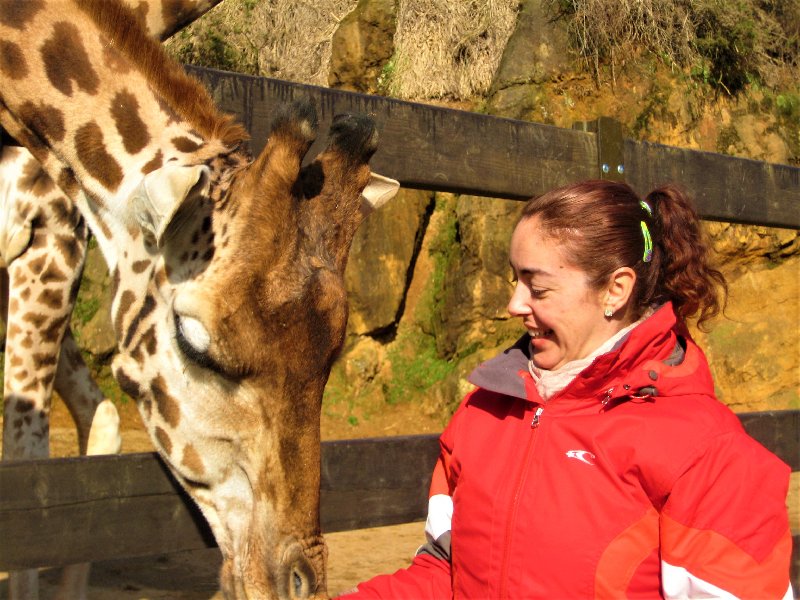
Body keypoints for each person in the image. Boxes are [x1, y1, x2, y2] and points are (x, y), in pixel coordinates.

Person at [342, 180, 794, 599]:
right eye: (515, 280)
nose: (514, 304)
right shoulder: (481, 412)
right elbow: (446, 570)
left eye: (537, 288)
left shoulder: (706, 451)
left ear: (615, 290)